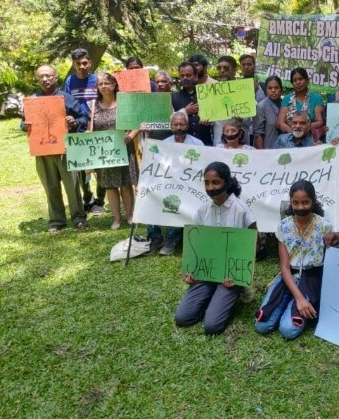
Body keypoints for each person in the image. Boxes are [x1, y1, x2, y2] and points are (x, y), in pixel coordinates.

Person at [174, 162, 256, 335]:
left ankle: (233, 295)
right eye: (207, 183)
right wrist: (192, 272)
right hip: (206, 274)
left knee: (212, 326)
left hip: (230, 277)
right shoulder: (203, 210)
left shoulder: (242, 211)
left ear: (227, 182)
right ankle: (212, 295)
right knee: (183, 318)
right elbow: (195, 246)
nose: (210, 188)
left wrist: (237, 276)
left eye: (216, 182)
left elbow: (252, 246)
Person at [255, 180, 333, 339]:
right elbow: (284, 267)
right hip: (289, 275)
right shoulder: (283, 226)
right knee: (261, 325)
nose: (300, 207)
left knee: (288, 330)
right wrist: (300, 298)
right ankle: (289, 299)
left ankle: (294, 303)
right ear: (290, 202)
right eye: (295, 203)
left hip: (312, 277)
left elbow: (330, 261)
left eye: (305, 202)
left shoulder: (325, 226)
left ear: (313, 201)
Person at [21, 65, 88, 233]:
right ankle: (57, 219)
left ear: (55, 78)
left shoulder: (66, 98)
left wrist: (74, 121)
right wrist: (24, 125)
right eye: (41, 77)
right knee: (50, 186)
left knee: (72, 185)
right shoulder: (33, 100)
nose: (45, 79)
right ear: (37, 80)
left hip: (65, 149)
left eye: (48, 76)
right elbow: (24, 122)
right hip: (43, 151)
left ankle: (79, 217)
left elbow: (83, 117)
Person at [147, 111, 204, 255]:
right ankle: (155, 238)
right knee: (147, 198)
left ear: (188, 125)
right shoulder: (164, 145)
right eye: (176, 124)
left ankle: (172, 238)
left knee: (179, 200)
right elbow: (155, 168)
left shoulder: (198, 144)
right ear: (171, 126)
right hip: (166, 184)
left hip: (189, 187)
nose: (179, 127)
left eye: (182, 124)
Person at [90, 73, 138, 230]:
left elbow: (137, 122)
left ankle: (130, 215)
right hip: (104, 152)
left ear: (114, 84)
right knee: (110, 186)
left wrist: (131, 136)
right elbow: (91, 130)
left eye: (107, 83)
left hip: (124, 147)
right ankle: (116, 218)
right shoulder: (93, 105)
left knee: (126, 184)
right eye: (100, 84)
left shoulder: (124, 102)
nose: (104, 86)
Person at [64, 48, 105, 215]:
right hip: (77, 128)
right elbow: (65, 102)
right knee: (81, 166)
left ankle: (100, 201)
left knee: (101, 164)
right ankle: (87, 197)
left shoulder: (97, 80)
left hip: (96, 127)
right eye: (78, 64)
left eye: (85, 63)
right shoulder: (69, 81)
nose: (82, 66)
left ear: (90, 63)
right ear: (74, 65)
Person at [212, 56, 252, 146]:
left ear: (234, 70)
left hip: (241, 143)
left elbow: (250, 121)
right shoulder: (212, 91)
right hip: (219, 143)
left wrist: (242, 118)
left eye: (226, 68)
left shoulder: (243, 89)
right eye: (219, 68)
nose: (222, 70)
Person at [277, 67, 325, 141]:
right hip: (289, 140)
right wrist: (295, 133)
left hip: (310, 140)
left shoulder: (316, 98)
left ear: (307, 80)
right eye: (295, 80)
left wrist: (303, 129)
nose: (298, 82)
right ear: (292, 83)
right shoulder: (287, 99)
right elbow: (280, 123)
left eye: (300, 79)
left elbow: (320, 121)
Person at [172, 61, 213, 145]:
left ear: (196, 76)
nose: (185, 78)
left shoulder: (207, 94)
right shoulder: (173, 97)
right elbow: (170, 119)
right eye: (182, 76)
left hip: (205, 142)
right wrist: (185, 111)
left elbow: (218, 114)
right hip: (183, 144)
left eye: (188, 75)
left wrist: (211, 120)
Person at [253, 75, 283, 149]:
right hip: (268, 148)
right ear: (266, 90)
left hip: (284, 147)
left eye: (276, 88)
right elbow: (258, 133)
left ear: (281, 90)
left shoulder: (285, 104)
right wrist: (262, 153)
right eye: (270, 88)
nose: (273, 90)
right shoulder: (261, 106)